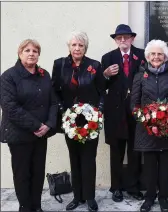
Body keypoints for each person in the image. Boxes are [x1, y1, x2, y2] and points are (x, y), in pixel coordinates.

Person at [0, 39, 57, 212]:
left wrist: (48, 125)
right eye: (27, 50)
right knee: (23, 174)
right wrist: (37, 126)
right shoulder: (8, 77)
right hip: (19, 135)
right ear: (20, 53)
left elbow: (53, 102)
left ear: (39, 55)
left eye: (35, 51)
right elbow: (10, 107)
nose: (31, 53)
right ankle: (25, 208)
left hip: (41, 134)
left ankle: (37, 207)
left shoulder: (44, 74)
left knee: (38, 173)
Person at [51, 31, 105, 212]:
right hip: (69, 121)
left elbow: (102, 92)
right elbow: (54, 91)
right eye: (74, 45)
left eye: (81, 45)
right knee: (74, 158)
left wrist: (98, 114)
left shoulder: (94, 65)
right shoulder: (59, 65)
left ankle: (89, 197)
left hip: (90, 121)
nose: (77, 48)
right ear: (69, 47)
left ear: (85, 48)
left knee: (89, 159)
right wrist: (62, 110)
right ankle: (77, 196)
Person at [130, 39, 168, 212]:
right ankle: (149, 198)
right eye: (153, 54)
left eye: (159, 54)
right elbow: (134, 104)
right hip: (147, 130)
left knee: (164, 166)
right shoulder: (140, 76)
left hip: (167, 129)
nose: (156, 57)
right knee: (149, 167)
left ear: (165, 56)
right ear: (147, 56)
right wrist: (145, 119)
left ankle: (163, 198)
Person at [101, 24, 146, 202]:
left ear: (132, 38)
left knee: (136, 151)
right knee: (116, 152)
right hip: (115, 113)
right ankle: (117, 187)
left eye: (125, 37)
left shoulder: (142, 55)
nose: (122, 40)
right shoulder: (107, 58)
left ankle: (133, 187)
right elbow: (100, 86)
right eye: (119, 38)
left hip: (136, 112)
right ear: (115, 40)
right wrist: (105, 75)